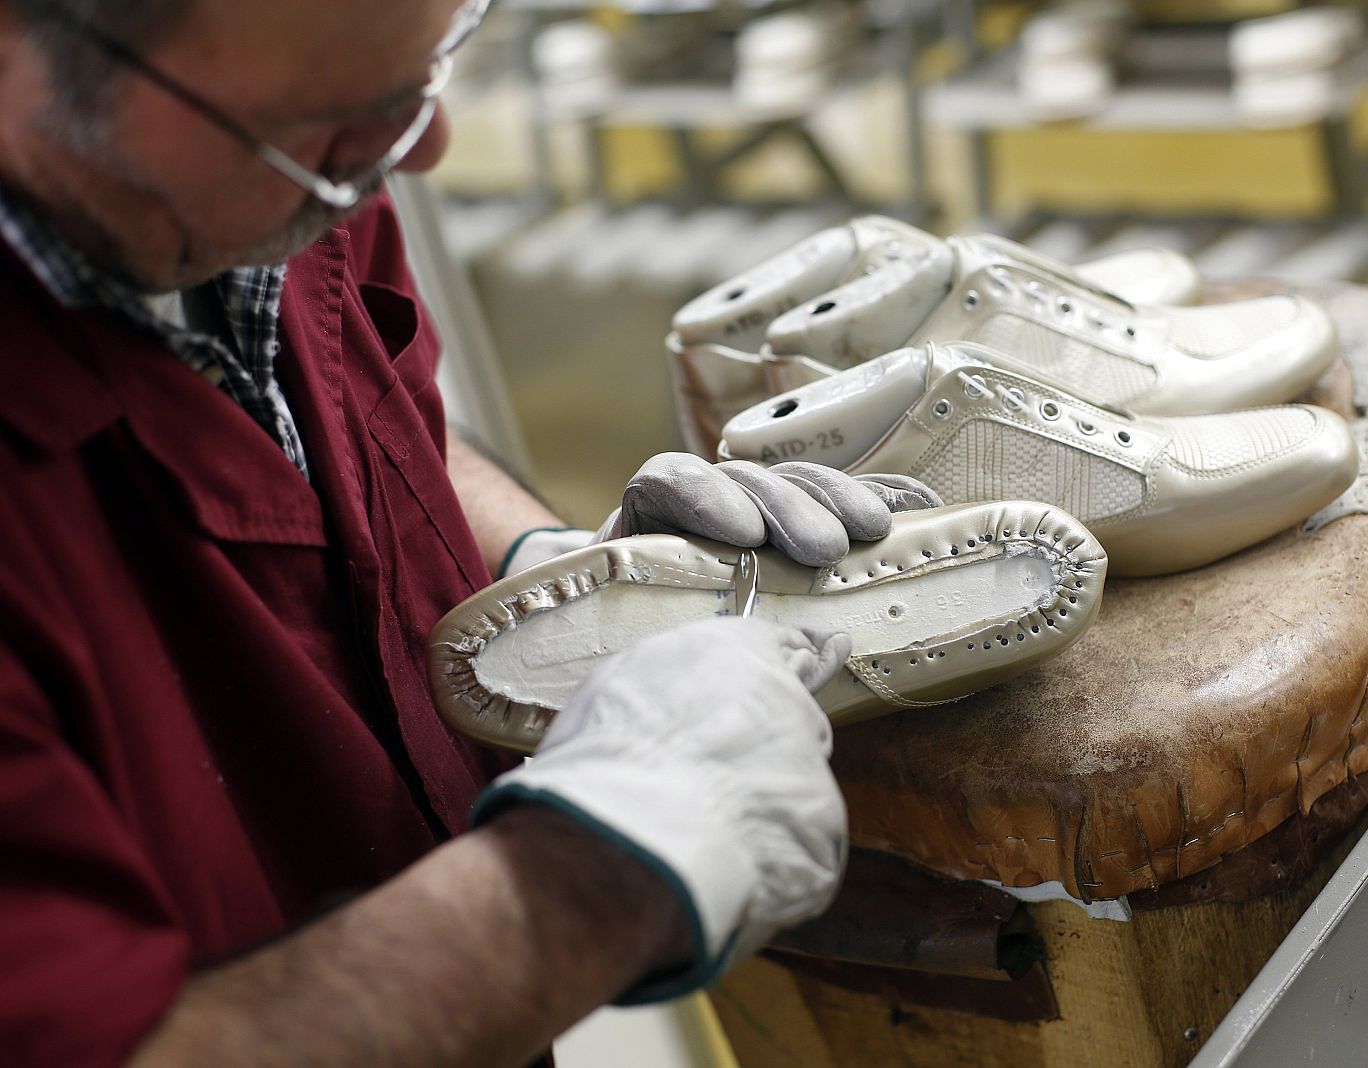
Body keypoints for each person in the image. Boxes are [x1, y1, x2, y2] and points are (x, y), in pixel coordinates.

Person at [0, 1, 936, 1064]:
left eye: (433, 65)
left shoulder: (272, 156)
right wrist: (597, 875)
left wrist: (557, 578)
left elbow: (376, 415)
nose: (422, 148)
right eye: (334, 121)